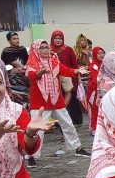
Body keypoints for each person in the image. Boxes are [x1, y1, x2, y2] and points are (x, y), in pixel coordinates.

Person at [24, 39, 90, 168]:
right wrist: (40, 72)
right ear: (36, 50)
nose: (45, 50)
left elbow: (64, 70)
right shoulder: (32, 61)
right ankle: (31, 156)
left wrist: (77, 71)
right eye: (42, 48)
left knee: (68, 124)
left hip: (56, 100)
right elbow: (32, 76)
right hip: (40, 103)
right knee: (38, 130)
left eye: (46, 47)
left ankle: (77, 148)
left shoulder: (54, 60)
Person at [50, 31, 78, 108]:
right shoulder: (48, 50)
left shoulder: (68, 49)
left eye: (60, 38)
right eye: (56, 38)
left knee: (71, 101)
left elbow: (74, 65)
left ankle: (73, 119)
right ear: (52, 39)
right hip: (53, 79)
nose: (58, 40)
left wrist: (75, 78)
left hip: (68, 77)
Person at [86, 46, 104, 136]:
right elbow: (95, 79)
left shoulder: (103, 64)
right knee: (94, 109)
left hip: (100, 90)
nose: (101, 55)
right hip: (94, 91)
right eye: (99, 53)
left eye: (102, 53)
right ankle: (94, 128)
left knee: (100, 109)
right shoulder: (94, 65)